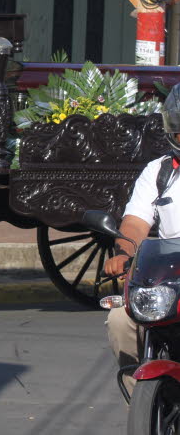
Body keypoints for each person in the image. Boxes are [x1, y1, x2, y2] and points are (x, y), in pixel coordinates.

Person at [104, 84, 180, 395]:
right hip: (172, 279)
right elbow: (135, 222)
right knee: (121, 320)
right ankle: (144, 406)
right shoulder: (160, 171)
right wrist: (124, 253)